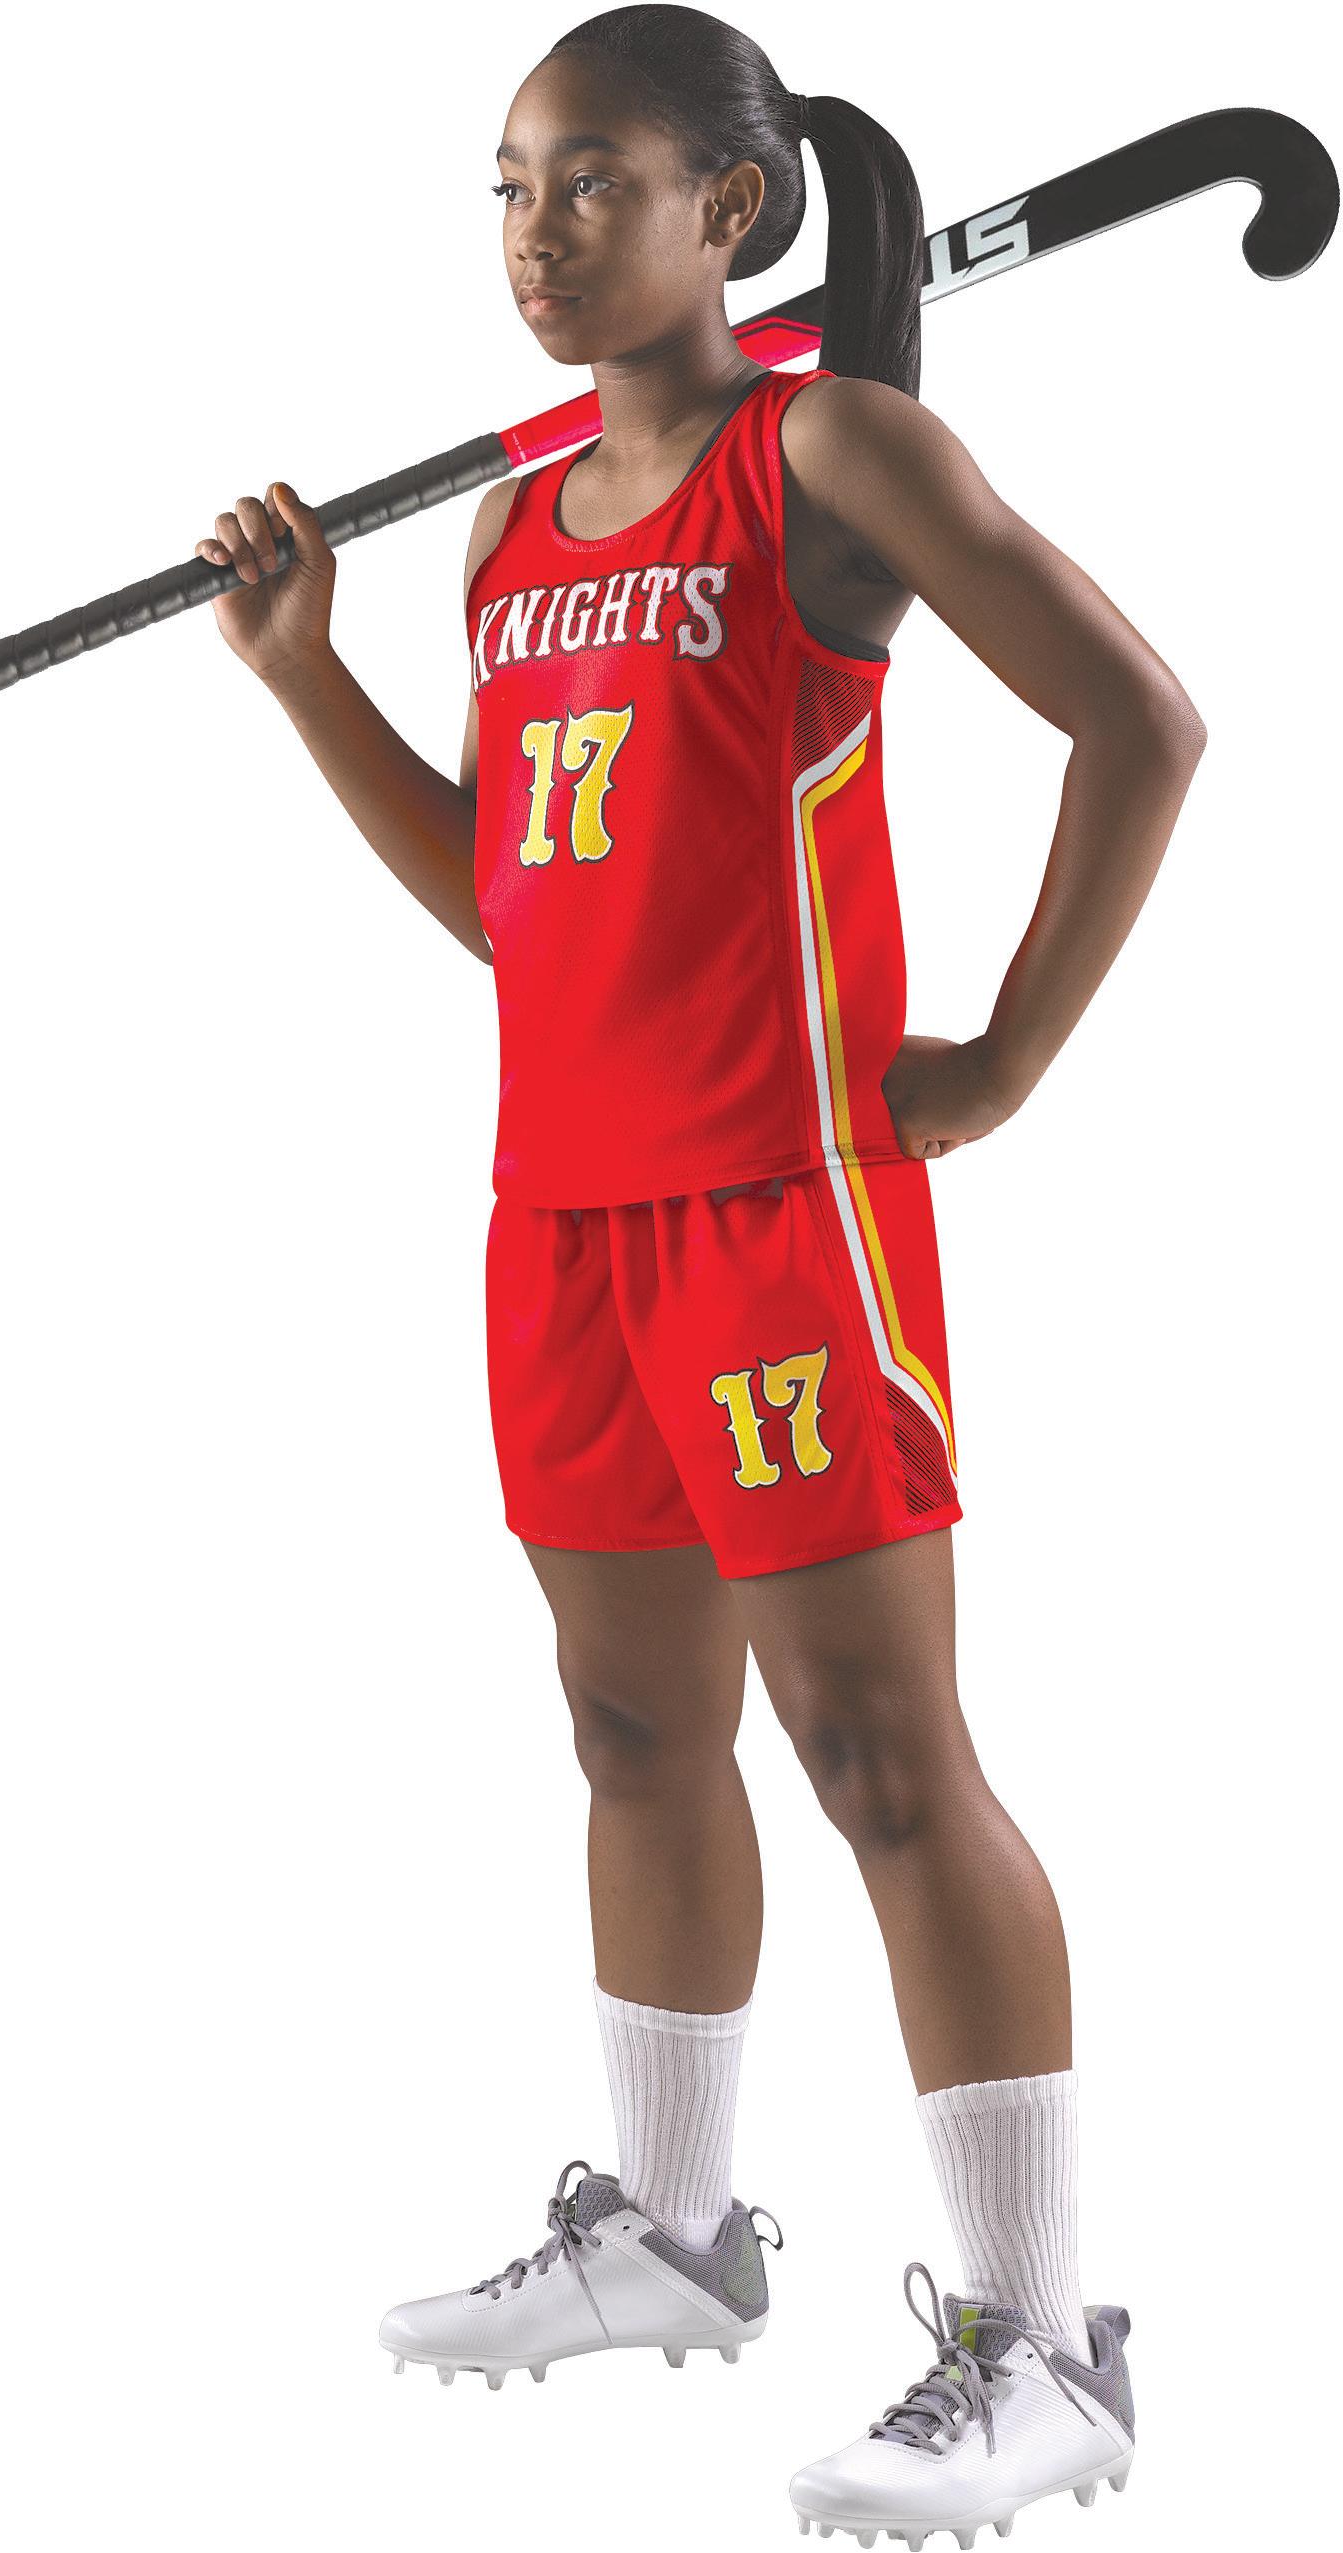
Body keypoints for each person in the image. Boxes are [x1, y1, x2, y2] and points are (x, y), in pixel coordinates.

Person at [194, 8, 1202, 2537]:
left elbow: (1139, 723)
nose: (536, 232)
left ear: (731, 211)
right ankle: (668, 2230)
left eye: (593, 181)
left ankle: (1047, 2344)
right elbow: (513, 909)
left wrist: (999, 1058)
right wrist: (306, 678)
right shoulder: (509, 521)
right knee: (630, 1726)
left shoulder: (827, 452)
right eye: (508, 184)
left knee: (876, 1751)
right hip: (563, 1203)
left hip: (777, 1200)